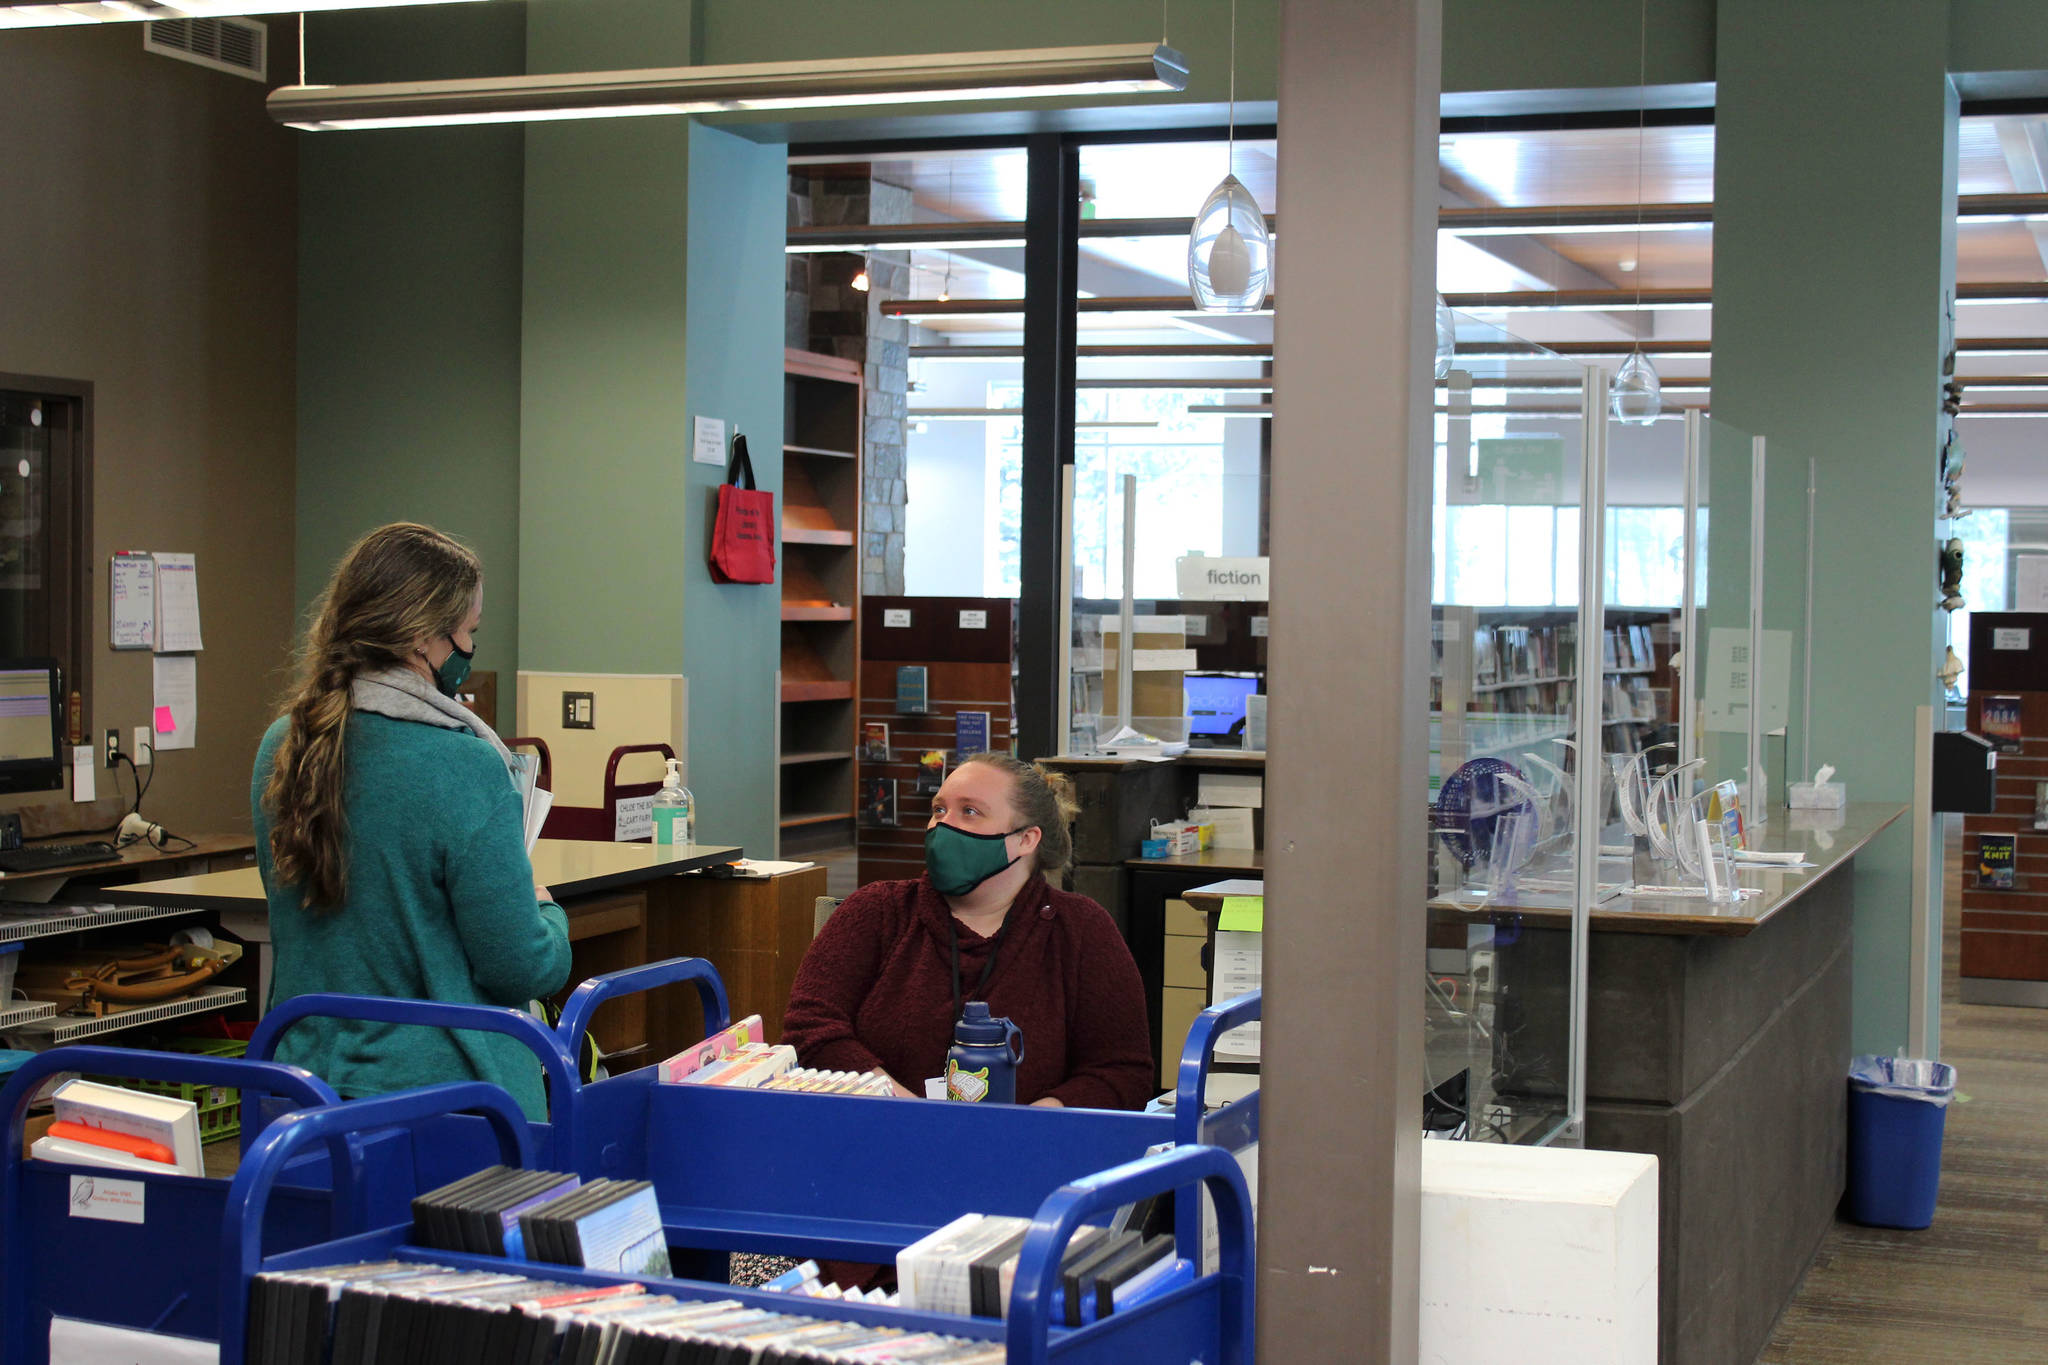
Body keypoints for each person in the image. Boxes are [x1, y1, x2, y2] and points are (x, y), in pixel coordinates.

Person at [252, 523, 571, 1121]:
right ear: (424, 638)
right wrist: (549, 916)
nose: (472, 650)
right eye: (469, 632)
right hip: (452, 1102)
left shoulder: (285, 746)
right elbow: (518, 965)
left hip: (299, 1087)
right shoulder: (465, 765)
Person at [781, 753, 1153, 1111]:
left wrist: (1021, 1128)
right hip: (878, 1144)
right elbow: (810, 1031)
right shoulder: (877, 911)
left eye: (969, 812)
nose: (942, 825)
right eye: (939, 809)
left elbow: (1121, 1074)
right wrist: (912, 1115)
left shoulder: (1082, 930)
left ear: (1026, 839)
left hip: (1025, 1157)